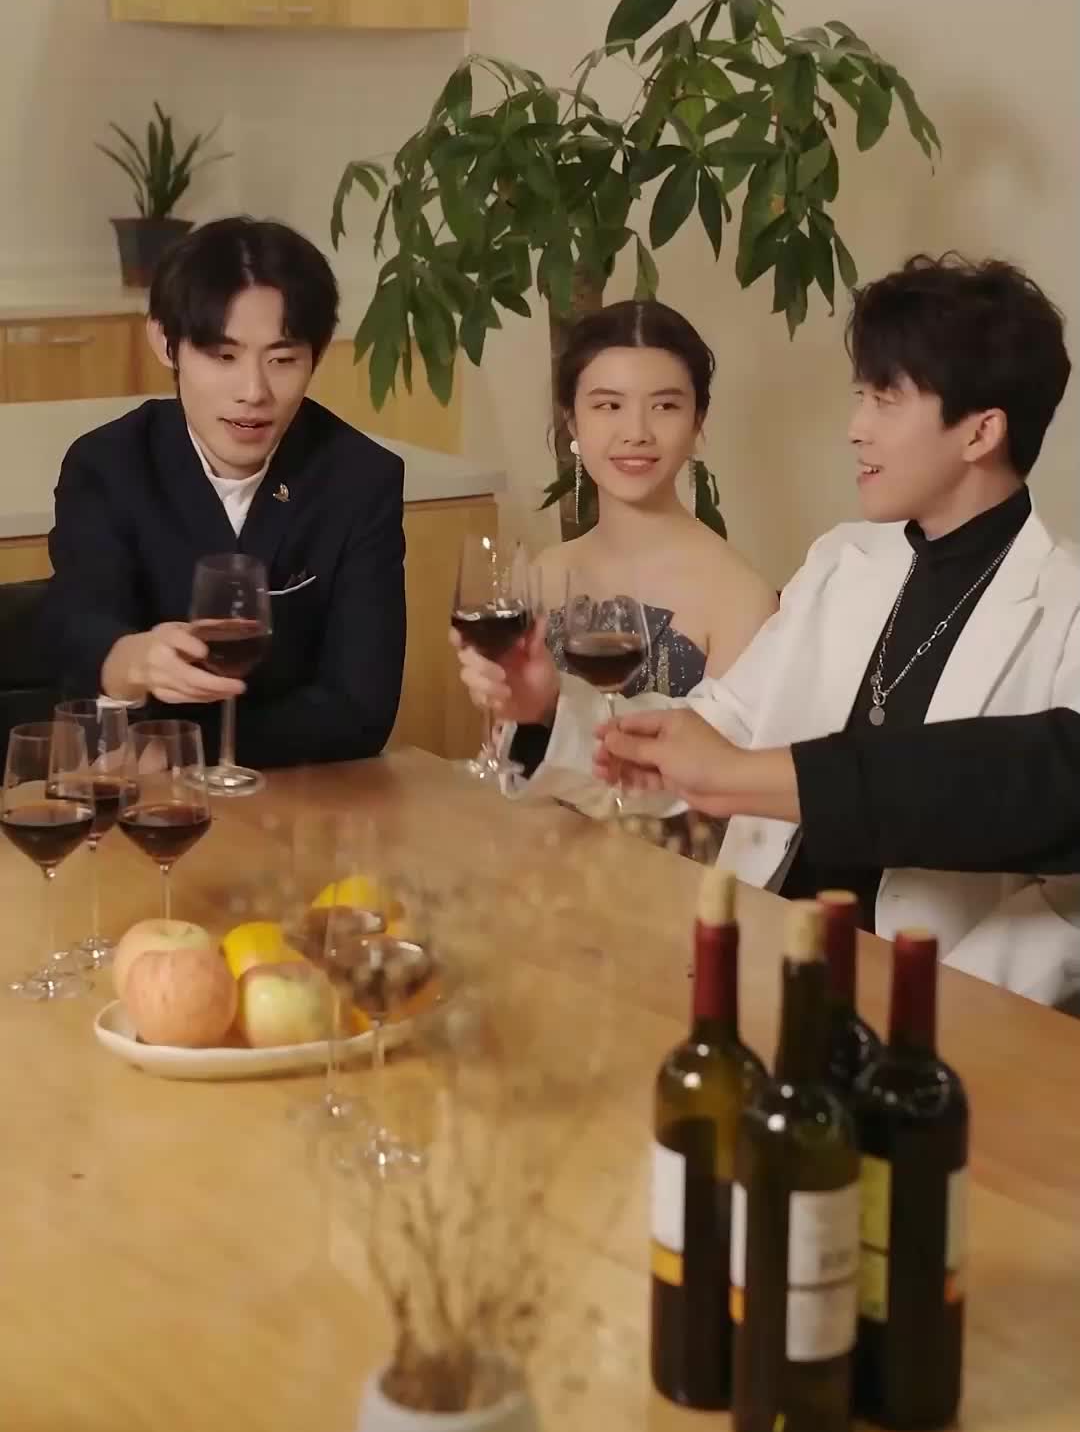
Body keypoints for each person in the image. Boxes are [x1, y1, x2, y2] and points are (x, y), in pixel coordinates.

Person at [543, 256, 1079, 1006]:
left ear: (981, 430)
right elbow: (720, 725)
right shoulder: (843, 560)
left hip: (935, 1000)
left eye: (885, 401)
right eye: (860, 397)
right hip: (761, 951)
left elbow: (1064, 893)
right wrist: (550, 713)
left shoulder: (1067, 607)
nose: (856, 430)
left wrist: (939, 998)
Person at [43, 217, 406, 767]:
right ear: (165, 342)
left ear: (317, 354)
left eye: (282, 360)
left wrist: (181, 748)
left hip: (297, 795)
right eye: (223, 357)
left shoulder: (359, 478)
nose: (254, 392)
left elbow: (361, 710)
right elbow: (80, 627)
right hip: (135, 788)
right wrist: (129, 659)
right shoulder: (109, 465)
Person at [453, 299, 777, 853]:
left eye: (665, 406)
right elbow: (511, 770)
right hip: (535, 863)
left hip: (676, 879)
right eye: (608, 405)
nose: (636, 432)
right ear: (572, 422)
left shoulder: (741, 598)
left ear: (698, 423)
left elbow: (733, 805)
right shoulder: (543, 574)